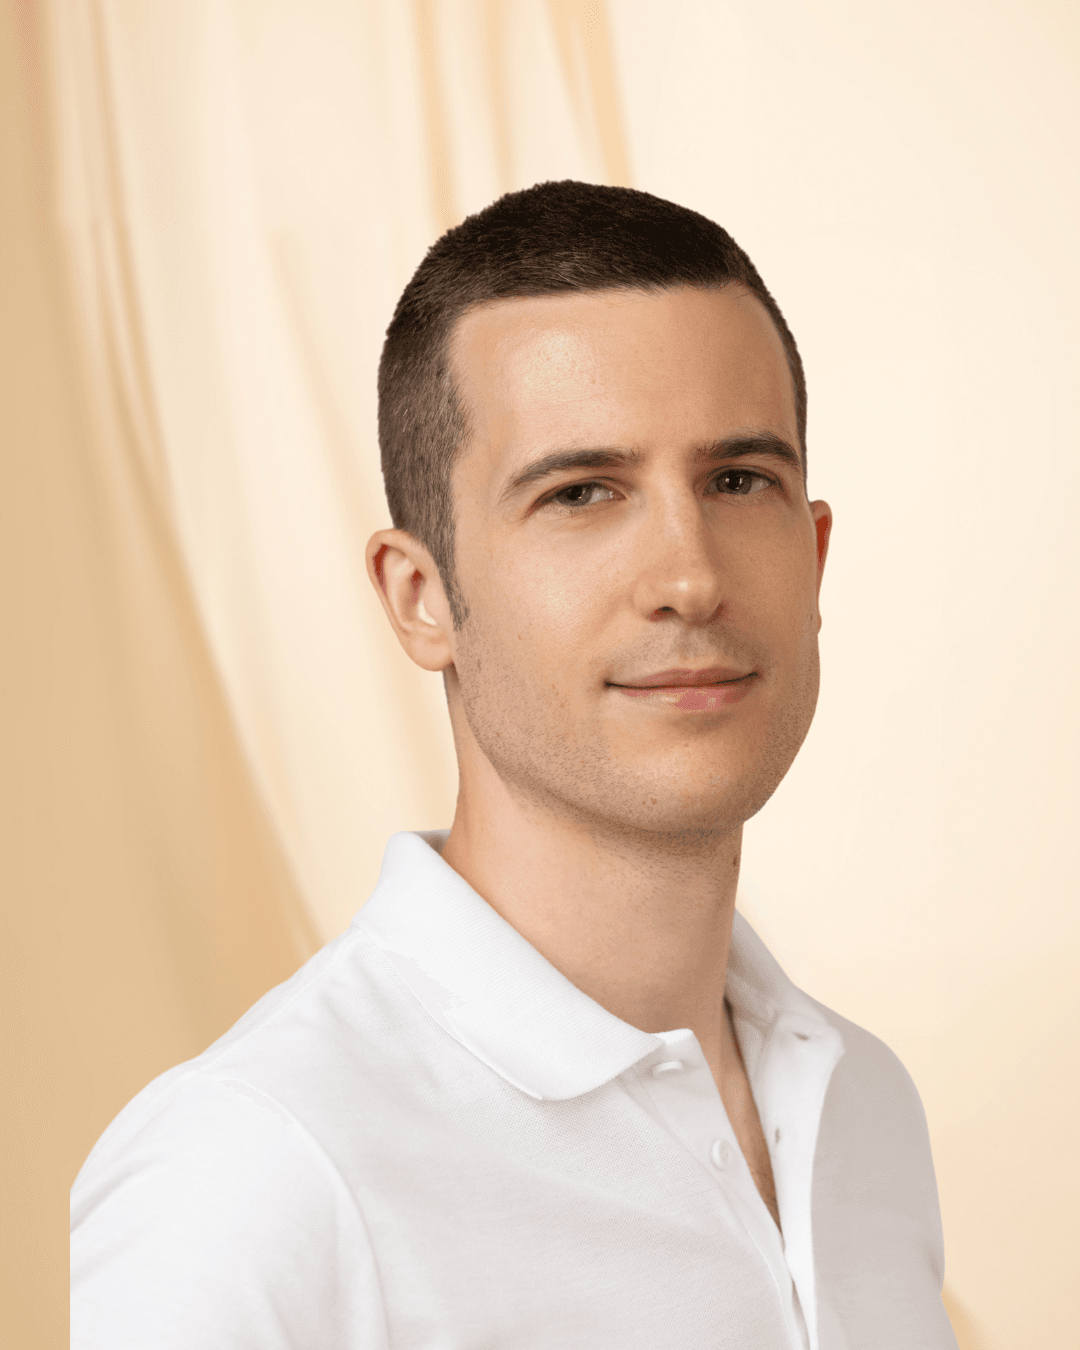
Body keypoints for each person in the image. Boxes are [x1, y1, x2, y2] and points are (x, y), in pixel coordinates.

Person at [70, 181, 958, 1349]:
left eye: (739, 480)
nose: (690, 578)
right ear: (421, 597)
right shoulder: (257, 1170)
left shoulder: (864, 1107)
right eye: (581, 492)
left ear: (817, 555)